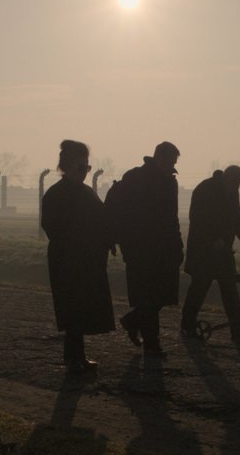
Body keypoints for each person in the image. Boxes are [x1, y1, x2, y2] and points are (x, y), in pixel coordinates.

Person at [41, 139, 114, 372]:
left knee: (82, 308)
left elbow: (102, 220)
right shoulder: (56, 195)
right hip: (68, 261)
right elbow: (53, 228)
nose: (85, 172)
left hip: (87, 259)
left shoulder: (86, 193)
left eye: (87, 168)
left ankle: (77, 356)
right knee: (73, 308)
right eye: (82, 167)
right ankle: (73, 358)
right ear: (68, 166)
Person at [104, 141, 183, 357]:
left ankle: (134, 322)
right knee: (149, 297)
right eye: (171, 162)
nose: (173, 166)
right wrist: (115, 238)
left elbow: (171, 218)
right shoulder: (135, 178)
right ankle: (151, 344)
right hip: (139, 247)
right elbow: (115, 209)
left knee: (160, 296)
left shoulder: (167, 182)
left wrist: (177, 245)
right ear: (160, 159)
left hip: (162, 247)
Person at [180, 165, 240, 342]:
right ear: (227, 178)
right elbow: (198, 219)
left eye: (239, 185)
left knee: (230, 290)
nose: (237, 188)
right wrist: (213, 240)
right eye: (236, 184)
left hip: (223, 252)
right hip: (203, 251)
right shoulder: (205, 189)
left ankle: (238, 331)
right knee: (199, 290)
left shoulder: (231, 191)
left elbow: (237, 218)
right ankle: (187, 326)